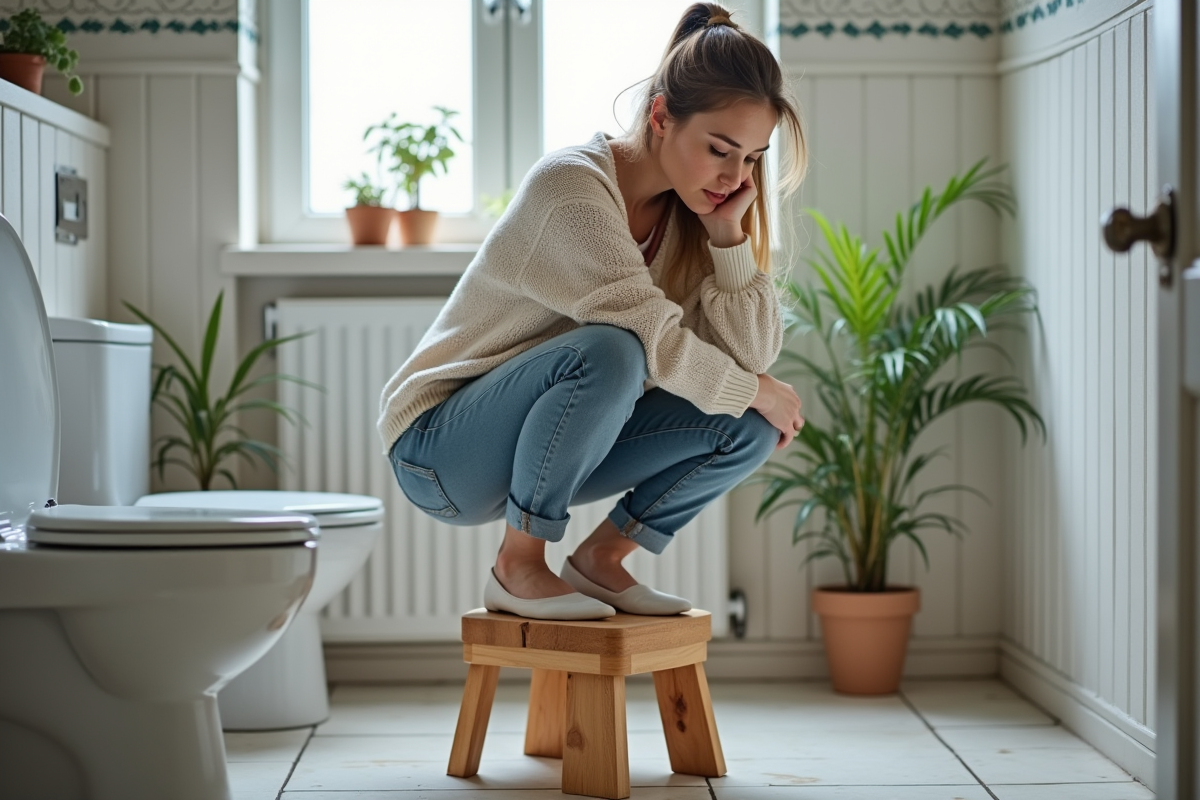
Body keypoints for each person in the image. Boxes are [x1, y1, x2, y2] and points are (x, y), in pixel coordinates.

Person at [377, 2, 807, 621]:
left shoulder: (693, 218)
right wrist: (758, 388)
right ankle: (517, 565)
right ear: (661, 116)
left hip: (554, 442)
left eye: (751, 159)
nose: (734, 176)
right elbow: (652, 342)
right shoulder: (571, 190)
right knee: (615, 349)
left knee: (750, 426)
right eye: (720, 149)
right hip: (439, 449)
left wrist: (727, 240)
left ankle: (603, 559)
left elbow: (751, 358)